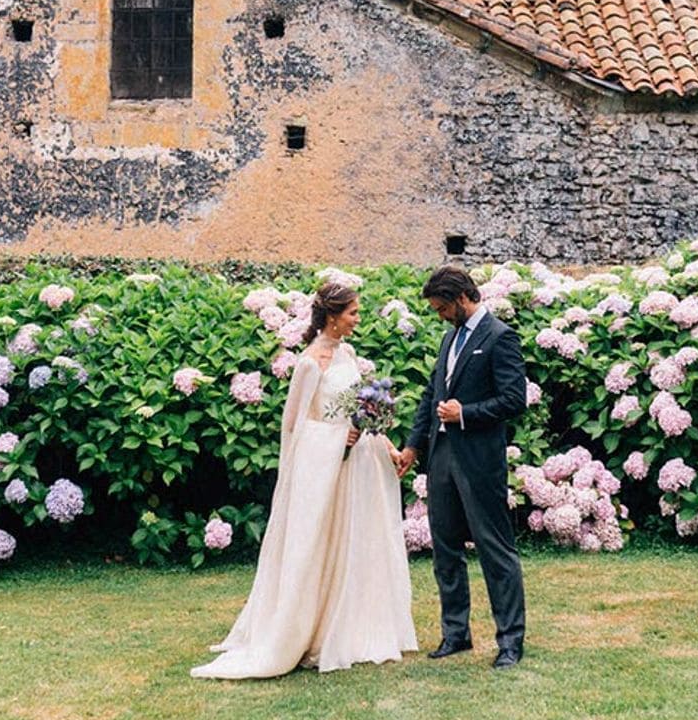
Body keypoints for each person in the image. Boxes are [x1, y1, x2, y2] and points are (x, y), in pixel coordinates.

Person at [191, 282, 417, 679]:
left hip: (358, 465)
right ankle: (309, 632)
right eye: (353, 313)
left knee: (357, 544)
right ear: (332, 317)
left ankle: (352, 627)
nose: (358, 319)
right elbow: (295, 426)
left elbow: (362, 410)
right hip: (328, 469)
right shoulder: (310, 363)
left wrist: (389, 446)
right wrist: (337, 438)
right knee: (322, 546)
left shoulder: (348, 352)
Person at [396, 265, 527, 669]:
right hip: (441, 460)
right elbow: (430, 397)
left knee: (494, 550)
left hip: (479, 462)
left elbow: (514, 400)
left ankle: (510, 642)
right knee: (445, 550)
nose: (439, 315)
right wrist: (414, 446)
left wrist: (465, 413)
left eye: (441, 308)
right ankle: (456, 634)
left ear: (461, 298)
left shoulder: (501, 338)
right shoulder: (449, 339)